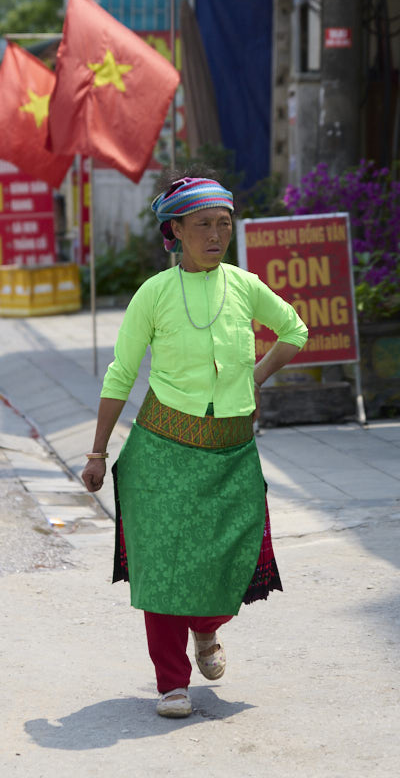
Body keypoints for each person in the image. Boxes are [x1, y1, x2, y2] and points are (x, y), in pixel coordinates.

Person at [80, 171, 308, 718]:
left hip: (232, 453)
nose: (215, 235)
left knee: (230, 556)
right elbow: (121, 374)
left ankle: (206, 628)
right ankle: (171, 683)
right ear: (176, 230)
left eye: (223, 224)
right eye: (202, 224)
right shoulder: (154, 294)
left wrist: (255, 377)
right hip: (162, 450)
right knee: (162, 567)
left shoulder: (244, 285)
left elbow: (295, 332)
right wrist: (97, 452)